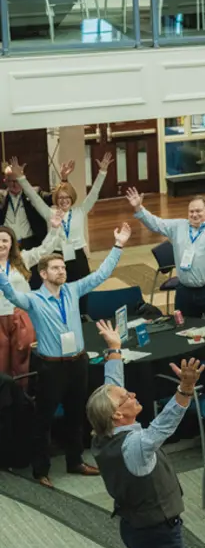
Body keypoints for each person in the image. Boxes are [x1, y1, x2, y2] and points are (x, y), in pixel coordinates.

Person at [88, 320, 202, 548]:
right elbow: (163, 427)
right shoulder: (134, 445)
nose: (132, 395)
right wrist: (184, 390)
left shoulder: (102, 434)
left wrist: (115, 350)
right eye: (126, 399)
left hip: (133, 528)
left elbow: (111, 386)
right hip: (159, 532)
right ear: (119, 416)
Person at [0, 224, 129, 485]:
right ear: (43, 273)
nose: (63, 271)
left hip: (78, 362)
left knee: (76, 413)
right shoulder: (33, 300)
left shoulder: (73, 290)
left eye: (63, 267)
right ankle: (41, 470)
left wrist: (118, 246)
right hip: (50, 367)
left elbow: (102, 274)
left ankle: (75, 461)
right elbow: (11, 293)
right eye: (57, 268)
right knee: (43, 419)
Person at [126, 186, 205, 354]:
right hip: (186, 291)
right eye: (191, 211)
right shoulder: (178, 226)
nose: (194, 215)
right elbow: (156, 223)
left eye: (199, 211)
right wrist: (138, 208)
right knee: (183, 331)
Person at [13, 154, 111, 279]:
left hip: (77, 254)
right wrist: (21, 177)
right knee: (57, 289)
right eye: (60, 198)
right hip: (56, 255)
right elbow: (34, 197)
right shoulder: (50, 213)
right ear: (56, 199)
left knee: (82, 288)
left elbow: (94, 192)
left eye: (67, 197)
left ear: (72, 198)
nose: (64, 200)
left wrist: (102, 172)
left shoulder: (80, 211)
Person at [0, 217, 64, 377]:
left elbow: (44, 249)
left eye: (4, 241)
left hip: (21, 315)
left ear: (11, 243)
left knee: (23, 358)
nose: (1, 244)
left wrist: (55, 229)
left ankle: (23, 396)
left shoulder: (22, 259)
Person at [2, 162, 48, 249]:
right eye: (11, 181)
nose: (15, 184)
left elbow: (56, 197)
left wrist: (64, 179)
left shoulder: (35, 193)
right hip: (5, 245)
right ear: (5, 181)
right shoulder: (1, 197)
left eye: (18, 180)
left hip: (30, 244)